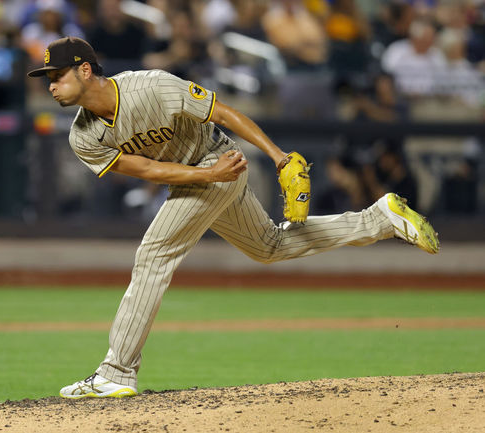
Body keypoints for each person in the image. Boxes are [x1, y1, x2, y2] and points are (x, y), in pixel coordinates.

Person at [27, 37, 440, 399]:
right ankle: (379, 219)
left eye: (57, 74)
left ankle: (116, 373)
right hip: (203, 174)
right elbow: (149, 171)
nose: (50, 84)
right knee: (269, 246)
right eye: (48, 77)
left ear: (85, 70)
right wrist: (206, 177)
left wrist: (278, 157)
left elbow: (221, 113)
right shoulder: (82, 135)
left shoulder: (151, 86)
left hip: (219, 158)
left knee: (152, 255)